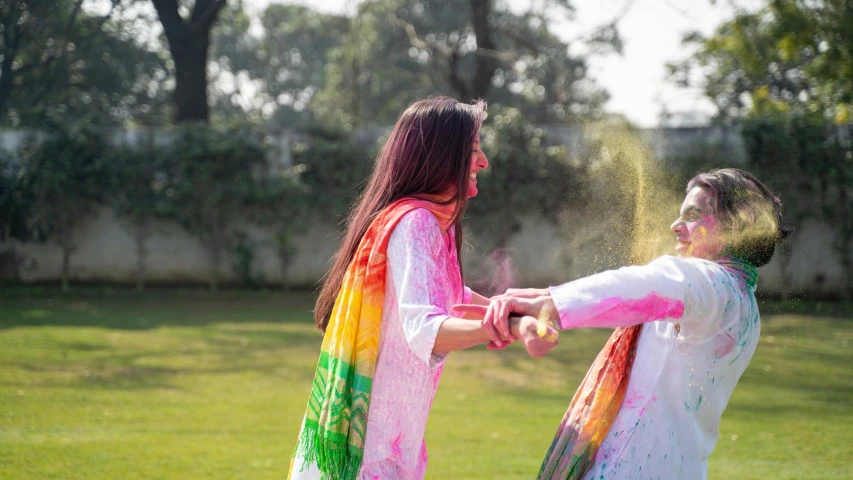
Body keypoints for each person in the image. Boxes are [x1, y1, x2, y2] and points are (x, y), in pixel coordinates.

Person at [288, 96, 557, 480]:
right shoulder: (416, 223)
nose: (484, 162)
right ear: (441, 156)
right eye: (474, 150)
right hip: (368, 456)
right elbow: (425, 328)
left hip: (385, 446)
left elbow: (451, 296)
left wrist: (516, 307)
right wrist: (505, 325)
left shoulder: (426, 224)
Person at [460, 168, 790, 479]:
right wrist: (545, 296)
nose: (676, 226)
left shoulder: (713, 285)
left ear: (737, 225)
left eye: (692, 216)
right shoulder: (739, 300)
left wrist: (552, 303)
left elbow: (651, 284)